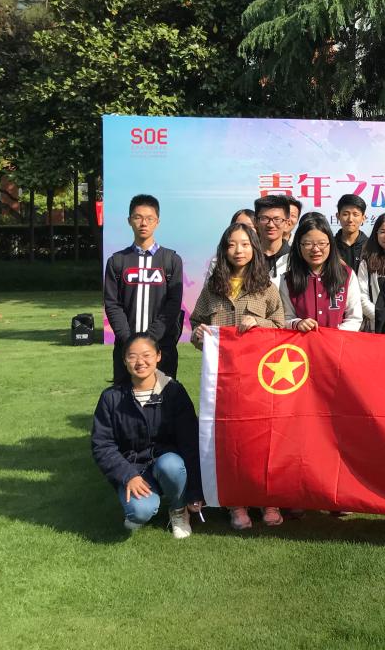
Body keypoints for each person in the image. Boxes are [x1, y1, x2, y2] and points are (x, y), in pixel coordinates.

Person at [189, 223, 285, 531]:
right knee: (229, 440)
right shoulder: (212, 288)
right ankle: (237, 504)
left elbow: (280, 326)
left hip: (259, 381)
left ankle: (268, 500)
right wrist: (198, 335)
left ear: (254, 249)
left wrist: (259, 323)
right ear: (224, 249)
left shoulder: (266, 287)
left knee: (261, 439)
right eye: (232, 244)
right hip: (223, 382)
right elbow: (196, 323)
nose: (238, 250)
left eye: (244, 244)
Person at [91, 332, 201, 538]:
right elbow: (102, 445)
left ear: (158, 356)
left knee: (171, 465)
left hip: (167, 463)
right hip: (133, 468)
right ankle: (143, 505)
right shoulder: (111, 398)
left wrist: (195, 491)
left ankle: (178, 510)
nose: (140, 362)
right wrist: (127, 475)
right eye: (132, 356)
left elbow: (190, 442)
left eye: (146, 355)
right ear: (124, 360)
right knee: (139, 512)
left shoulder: (174, 392)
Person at [104, 193, 184, 384]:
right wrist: (130, 341)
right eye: (138, 217)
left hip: (162, 347)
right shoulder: (117, 261)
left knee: (163, 396)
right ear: (129, 220)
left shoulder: (171, 260)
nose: (143, 223)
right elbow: (112, 304)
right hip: (126, 348)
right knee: (125, 397)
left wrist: (150, 340)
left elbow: (173, 304)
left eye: (149, 218)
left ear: (157, 222)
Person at [280, 212, 363, 332]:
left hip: (339, 341)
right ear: (299, 246)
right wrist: (297, 323)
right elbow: (286, 317)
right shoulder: (288, 280)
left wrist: (334, 336)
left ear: (330, 244)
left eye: (322, 243)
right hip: (303, 342)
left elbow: (354, 318)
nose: (315, 249)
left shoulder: (346, 275)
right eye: (308, 244)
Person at [253, 194, 291, 287]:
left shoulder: (294, 258)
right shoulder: (248, 257)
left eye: (277, 219)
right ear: (256, 221)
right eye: (264, 219)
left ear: (286, 223)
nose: (270, 225)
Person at [334, 193, 368, 272]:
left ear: (363, 218)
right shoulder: (330, 245)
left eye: (355, 215)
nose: (350, 219)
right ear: (338, 216)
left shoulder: (370, 246)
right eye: (345, 214)